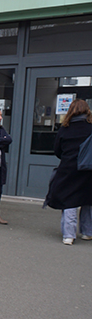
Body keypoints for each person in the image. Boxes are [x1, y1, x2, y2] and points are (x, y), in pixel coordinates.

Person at [44, 98, 92, 245]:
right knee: (88, 200)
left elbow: (57, 150)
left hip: (69, 169)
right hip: (89, 169)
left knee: (70, 201)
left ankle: (69, 235)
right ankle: (88, 232)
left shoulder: (65, 128)